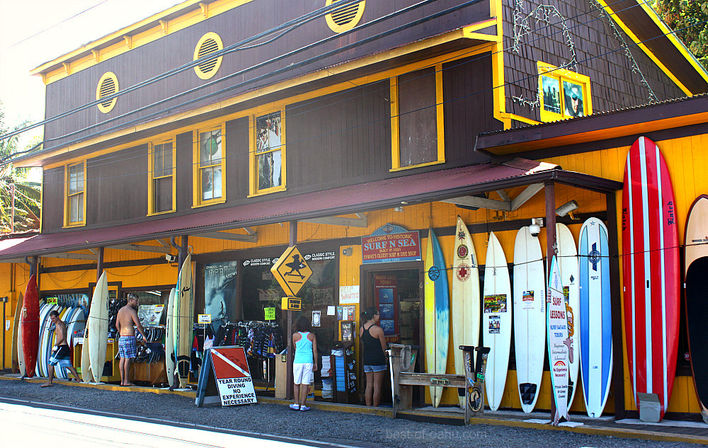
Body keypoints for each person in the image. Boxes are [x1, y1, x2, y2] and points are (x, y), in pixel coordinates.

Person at [41, 310, 81, 387]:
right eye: (51, 319)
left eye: (53, 318)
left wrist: (55, 345)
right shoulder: (60, 324)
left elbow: (62, 337)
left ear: (57, 317)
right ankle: (78, 379)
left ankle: (49, 382)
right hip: (65, 347)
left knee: (50, 363)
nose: (52, 320)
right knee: (68, 365)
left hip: (61, 347)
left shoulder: (59, 325)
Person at [115, 293, 147, 386]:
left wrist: (121, 331)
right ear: (131, 300)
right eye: (136, 301)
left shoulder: (120, 311)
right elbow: (138, 325)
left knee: (122, 358)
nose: (137, 303)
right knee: (128, 359)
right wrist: (144, 335)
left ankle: (122, 380)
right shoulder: (132, 311)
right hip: (129, 336)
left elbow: (117, 325)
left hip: (122, 337)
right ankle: (126, 381)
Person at [360, 307, 388, 407]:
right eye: (378, 314)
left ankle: (368, 406)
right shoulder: (378, 330)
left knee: (369, 384)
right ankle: (375, 407)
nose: (379, 316)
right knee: (377, 385)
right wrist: (386, 357)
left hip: (367, 359)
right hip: (378, 360)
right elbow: (384, 347)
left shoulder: (362, 329)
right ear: (374, 316)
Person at [291, 316, 317, 412]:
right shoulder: (312, 336)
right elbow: (314, 350)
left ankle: (296, 403)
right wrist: (316, 362)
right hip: (308, 361)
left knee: (296, 383)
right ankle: (303, 405)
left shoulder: (295, 336)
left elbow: (295, 347)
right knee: (305, 384)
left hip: (298, 361)